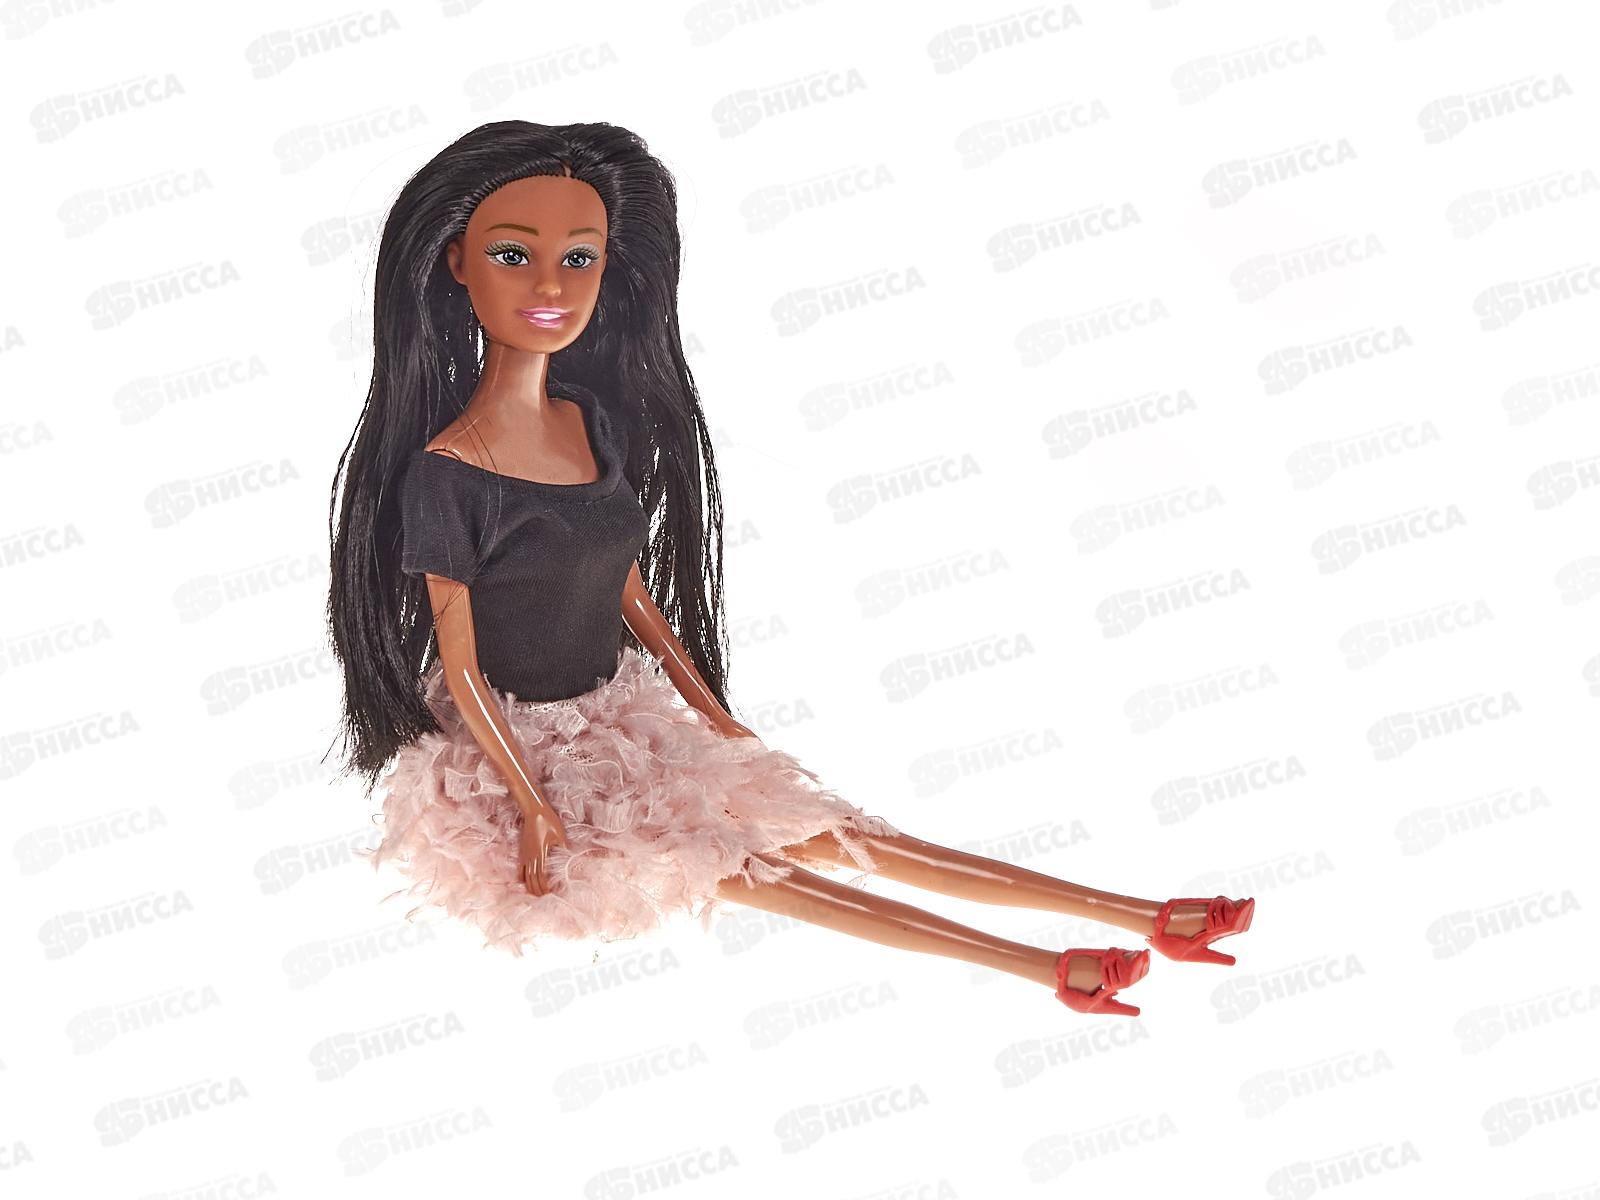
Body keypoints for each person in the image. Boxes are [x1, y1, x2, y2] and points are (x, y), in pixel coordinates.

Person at [325, 120, 1253, 1016]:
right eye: (512, 255)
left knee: (847, 835)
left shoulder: (585, 423)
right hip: (518, 759)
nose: (549, 286)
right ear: (456, 263)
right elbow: (461, 667)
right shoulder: (450, 474)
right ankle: (1051, 966)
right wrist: (530, 802)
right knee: (760, 871)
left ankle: (1145, 917)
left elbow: (629, 593)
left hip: (624, 722)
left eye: (580, 258)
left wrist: (717, 720)